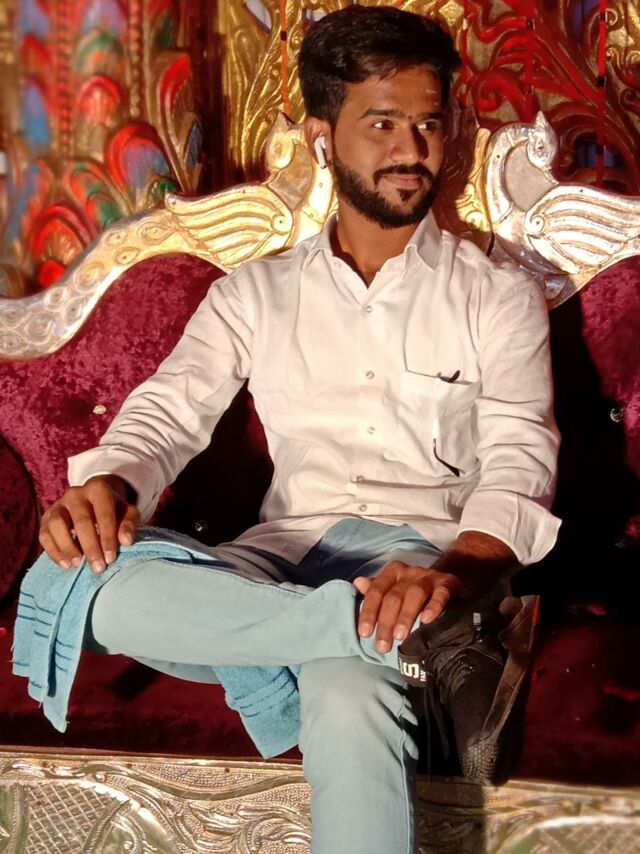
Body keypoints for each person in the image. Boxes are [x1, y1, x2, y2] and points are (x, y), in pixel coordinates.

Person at [29, 6, 560, 853]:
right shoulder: (254, 293)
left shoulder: (497, 297)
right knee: (95, 588)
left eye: (428, 124)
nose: (412, 149)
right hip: (278, 557)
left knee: (348, 697)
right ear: (322, 136)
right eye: (381, 124)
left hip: (415, 559)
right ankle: (386, 639)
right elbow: (168, 412)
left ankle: (396, 634)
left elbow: (519, 460)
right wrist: (110, 483)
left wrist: (450, 579)